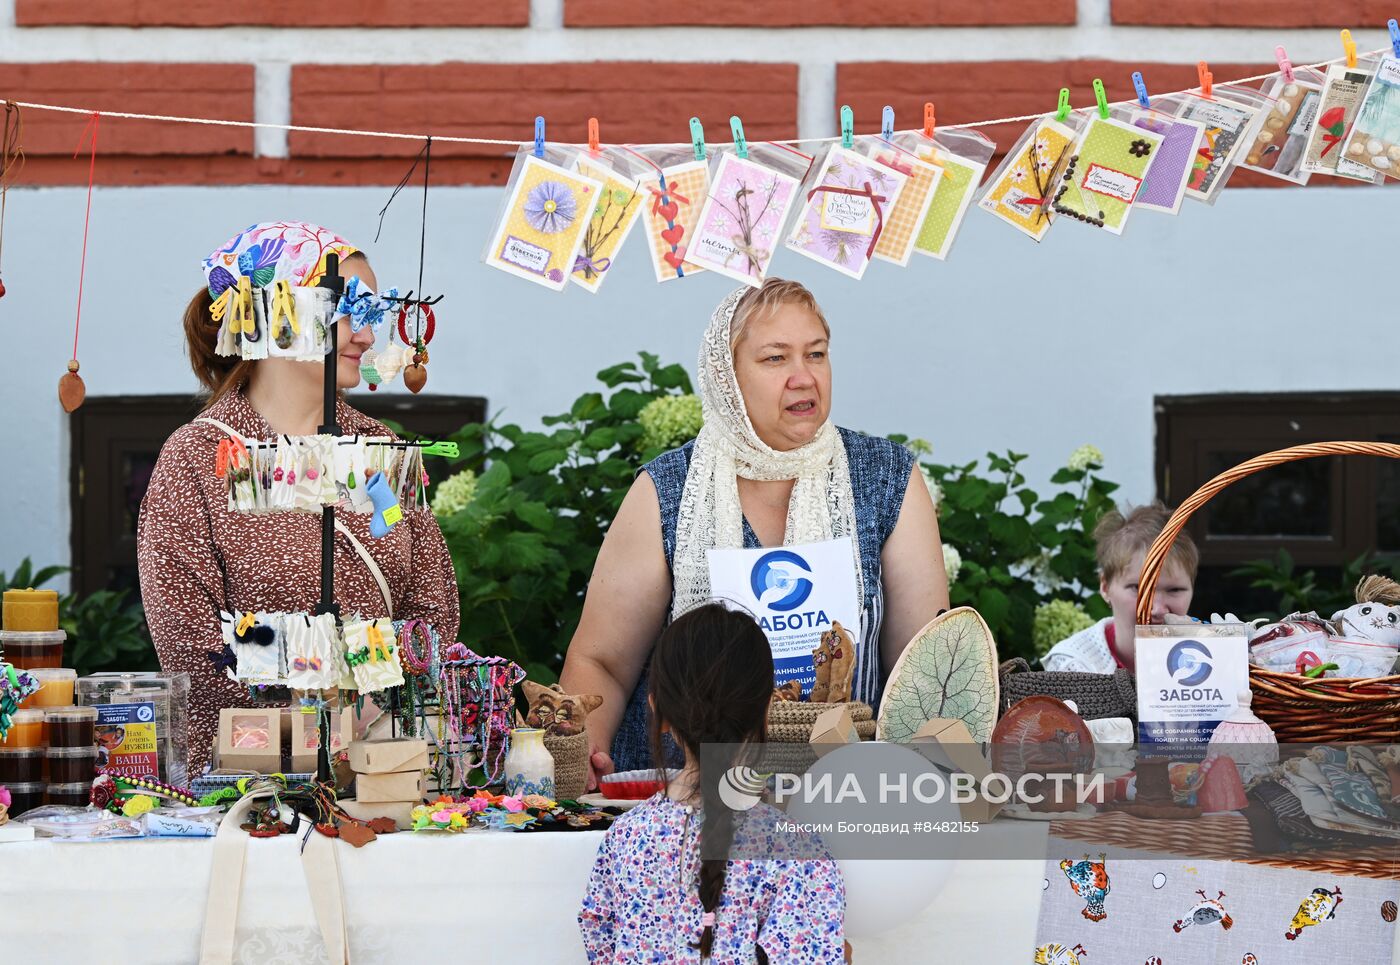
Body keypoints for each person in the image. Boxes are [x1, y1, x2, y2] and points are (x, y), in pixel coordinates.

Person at [560, 279, 949, 779]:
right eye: (775, 359)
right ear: (728, 377)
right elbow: (602, 663)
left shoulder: (887, 477)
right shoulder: (668, 490)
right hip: (686, 801)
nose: (804, 377)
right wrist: (581, 763)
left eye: (816, 354)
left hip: (845, 796)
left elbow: (923, 672)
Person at [137, 222, 460, 774]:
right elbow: (193, 647)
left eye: (373, 314)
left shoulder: (380, 446)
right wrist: (328, 705)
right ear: (276, 317)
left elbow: (435, 613)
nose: (366, 335)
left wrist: (373, 715)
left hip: (385, 773)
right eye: (350, 309)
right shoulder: (196, 459)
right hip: (250, 781)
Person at [578, 602, 845, 963]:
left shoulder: (624, 839)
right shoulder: (799, 853)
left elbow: (600, 940)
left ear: (660, 715)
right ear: (767, 708)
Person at [1041, 503, 1197, 674]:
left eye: (1175, 590)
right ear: (1105, 587)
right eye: (1139, 588)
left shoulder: (1208, 656)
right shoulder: (1074, 664)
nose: (1157, 609)